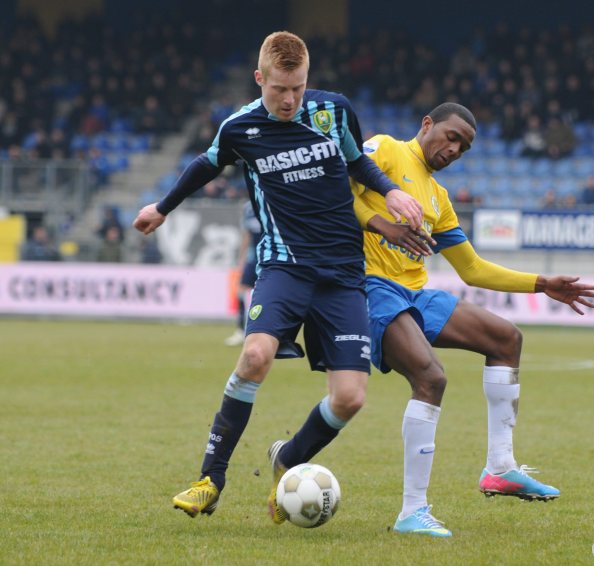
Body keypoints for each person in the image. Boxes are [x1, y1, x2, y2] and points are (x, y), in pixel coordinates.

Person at [132, 31, 423, 521]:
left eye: (298, 88)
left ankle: (288, 458)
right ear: (259, 79)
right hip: (284, 265)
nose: (289, 100)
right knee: (254, 354)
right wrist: (162, 208)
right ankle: (210, 478)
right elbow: (207, 164)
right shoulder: (240, 128)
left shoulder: (333, 111)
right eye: (278, 89)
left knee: (350, 398)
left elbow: (356, 162)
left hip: (343, 274)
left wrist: (391, 192)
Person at [351, 102, 594, 537]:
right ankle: (412, 511)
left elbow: (472, 269)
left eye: (464, 148)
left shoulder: (439, 198)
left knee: (506, 339)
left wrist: (542, 284)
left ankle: (500, 468)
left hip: (413, 290)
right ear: (427, 125)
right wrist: (381, 225)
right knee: (431, 377)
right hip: (369, 285)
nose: (454, 150)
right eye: (451, 137)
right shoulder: (386, 150)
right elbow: (337, 189)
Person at [223, 200, 264, 347]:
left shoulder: (272, 198)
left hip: (272, 257)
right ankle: (241, 330)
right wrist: (242, 259)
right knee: (241, 291)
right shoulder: (248, 207)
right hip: (253, 258)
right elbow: (246, 235)